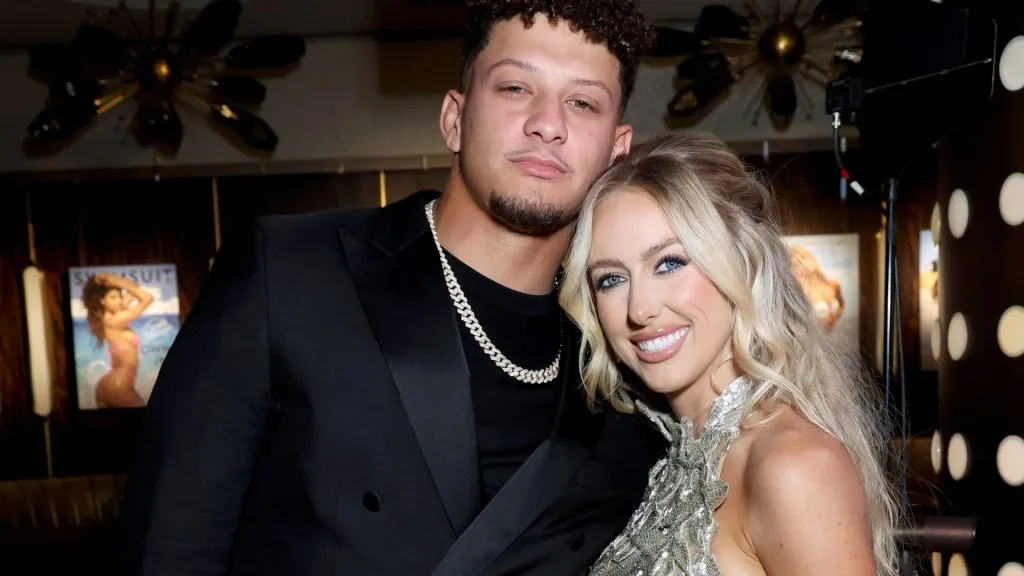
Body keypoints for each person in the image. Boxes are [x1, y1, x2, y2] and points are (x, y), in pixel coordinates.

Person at [116, 1, 664, 575]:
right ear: (454, 118)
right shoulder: (290, 271)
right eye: (514, 87)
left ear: (616, 149)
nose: (548, 122)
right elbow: (167, 550)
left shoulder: (625, 349)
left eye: (582, 102)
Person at [559, 132, 899, 576]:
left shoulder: (792, 466)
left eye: (669, 263)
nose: (639, 309)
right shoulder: (670, 457)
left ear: (740, 262)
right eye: (610, 279)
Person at [82, 272, 153, 408]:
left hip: (107, 384)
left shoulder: (110, 315)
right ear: (102, 301)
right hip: (119, 384)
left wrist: (112, 280)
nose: (120, 301)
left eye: (120, 296)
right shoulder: (116, 320)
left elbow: (134, 286)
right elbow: (147, 298)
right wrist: (115, 281)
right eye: (113, 297)